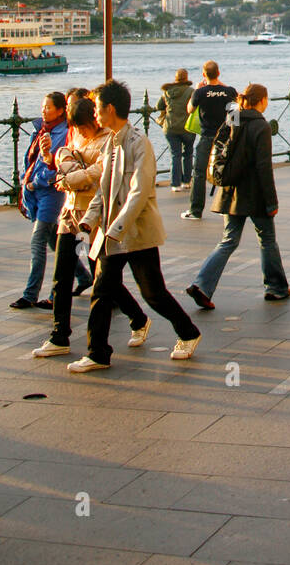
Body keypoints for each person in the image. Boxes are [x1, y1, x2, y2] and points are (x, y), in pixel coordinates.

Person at [69, 80, 201, 371]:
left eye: (98, 108)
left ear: (110, 109)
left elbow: (139, 192)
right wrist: (89, 223)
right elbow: (104, 191)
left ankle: (188, 332)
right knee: (102, 291)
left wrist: (115, 229)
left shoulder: (138, 142)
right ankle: (97, 353)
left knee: (153, 292)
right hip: (113, 233)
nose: (95, 114)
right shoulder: (111, 143)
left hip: (136, 232)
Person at [31, 95, 149, 357]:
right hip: (70, 212)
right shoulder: (74, 136)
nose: (80, 131)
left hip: (94, 215)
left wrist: (72, 176)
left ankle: (138, 318)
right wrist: (51, 156)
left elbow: (98, 173)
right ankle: (59, 335)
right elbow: (64, 166)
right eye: (77, 127)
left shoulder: (109, 139)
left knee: (103, 278)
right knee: (62, 275)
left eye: (83, 127)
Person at [186, 83, 290, 309]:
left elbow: (226, 146)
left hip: (230, 190)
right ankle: (276, 286)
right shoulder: (261, 126)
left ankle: (202, 284)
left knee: (228, 240)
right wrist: (271, 201)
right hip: (254, 193)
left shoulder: (233, 116)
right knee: (267, 239)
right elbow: (264, 167)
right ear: (262, 100)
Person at [10, 92, 70, 311]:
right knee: (55, 241)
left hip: (51, 192)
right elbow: (31, 159)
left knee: (38, 239)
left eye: (48, 107)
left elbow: (56, 163)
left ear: (61, 110)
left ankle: (30, 294)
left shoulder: (63, 133)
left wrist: (36, 182)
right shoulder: (40, 129)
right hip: (35, 191)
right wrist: (28, 184)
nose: (43, 110)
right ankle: (83, 277)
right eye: (42, 106)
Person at [182, 61, 237, 220]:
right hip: (223, 137)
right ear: (218, 73)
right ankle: (224, 207)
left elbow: (189, 109)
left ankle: (196, 210)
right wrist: (222, 87)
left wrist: (199, 89)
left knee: (199, 173)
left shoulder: (200, 92)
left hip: (206, 136)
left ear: (204, 74)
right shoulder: (229, 91)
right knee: (225, 170)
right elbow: (236, 116)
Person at [156, 69, 195, 192]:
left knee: (175, 155)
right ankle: (186, 181)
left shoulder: (167, 92)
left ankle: (175, 184)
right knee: (188, 155)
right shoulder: (191, 91)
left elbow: (158, 106)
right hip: (187, 127)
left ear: (175, 78)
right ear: (186, 78)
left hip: (170, 127)